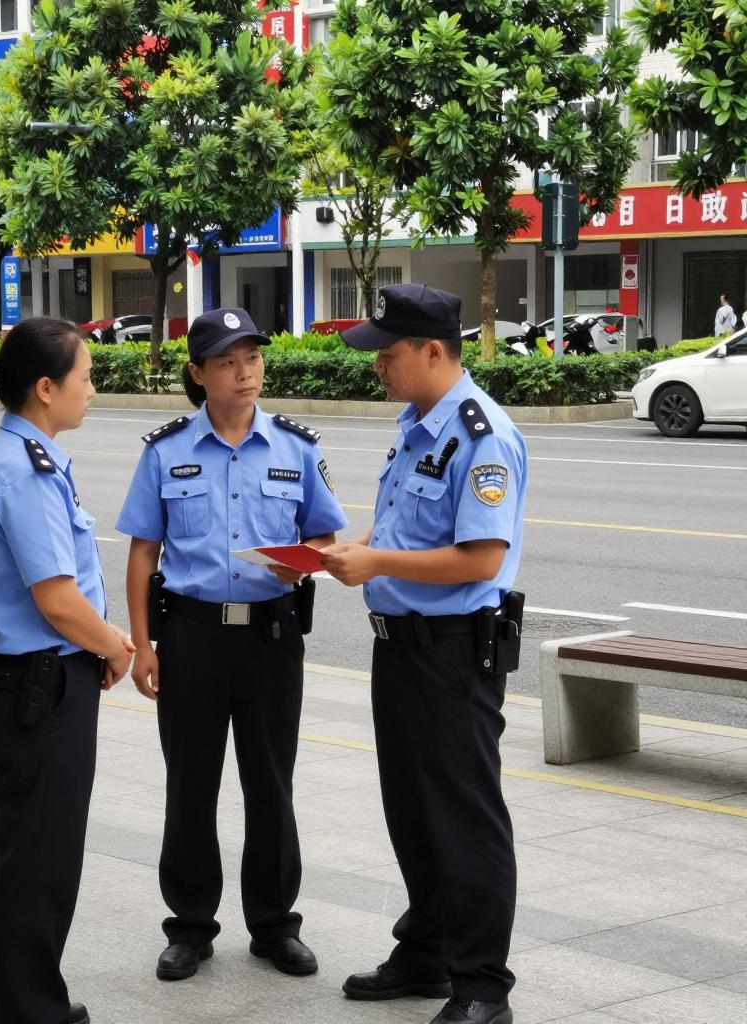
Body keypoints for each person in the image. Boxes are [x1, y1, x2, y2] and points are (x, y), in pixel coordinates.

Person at [115, 307, 347, 983]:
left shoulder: (298, 448)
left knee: (271, 786)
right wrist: (142, 642)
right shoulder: (166, 451)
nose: (244, 372)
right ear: (199, 373)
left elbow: (330, 539)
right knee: (191, 786)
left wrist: (303, 559)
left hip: (271, 639)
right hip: (189, 637)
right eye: (226, 361)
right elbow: (142, 551)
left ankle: (275, 925)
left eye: (252, 358)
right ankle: (190, 926)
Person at [320, 284, 527, 1024]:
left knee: (465, 819)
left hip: (452, 654)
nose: (377, 364)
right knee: (412, 811)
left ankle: (481, 986)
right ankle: (429, 950)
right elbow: (407, 533)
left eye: (389, 352)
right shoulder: (417, 425)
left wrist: (374, 565)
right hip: (401, 650)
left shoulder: (481, 436)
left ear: (433, 352)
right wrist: (359, 551)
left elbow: (478, 559)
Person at [0, 316, 136, 1024]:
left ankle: (10, 1002)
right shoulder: (24, 473)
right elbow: (58, 601)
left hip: (22, 683)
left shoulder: (15, 455)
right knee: (42, 859)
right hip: (40, 686)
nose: (92, 390)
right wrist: (115, 645)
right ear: (44, 388)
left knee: (18, 846)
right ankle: (32, 1011)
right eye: (85, 378)